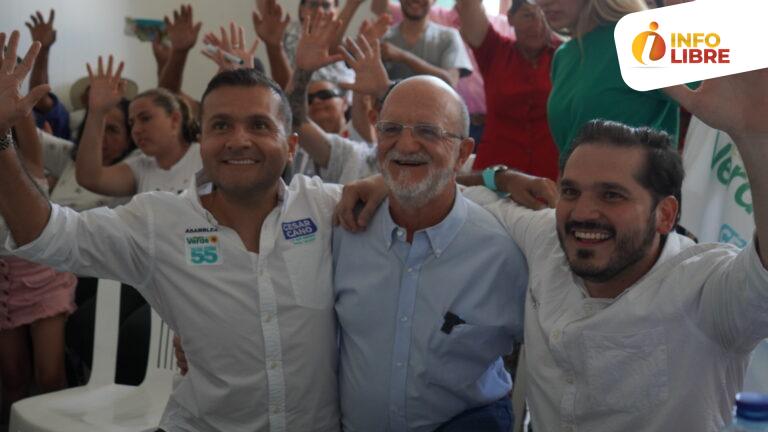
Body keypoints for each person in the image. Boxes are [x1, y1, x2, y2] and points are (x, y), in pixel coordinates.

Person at [0, 31, 350, 431]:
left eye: (258, 125)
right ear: (202, 141)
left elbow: (411, 206)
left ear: (290, 146)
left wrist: (376, 184)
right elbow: (46, 234)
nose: (238, 140)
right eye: (221, 125)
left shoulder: (326, 208)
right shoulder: (159, 222)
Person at [333, 75, 527, 432]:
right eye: (391, 129)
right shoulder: (343, 229)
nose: (405, 144)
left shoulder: (504, 253)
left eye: (427, 130)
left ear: (464, 153)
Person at [0, 70, 75, 424]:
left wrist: (10, 82)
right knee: (13, 377)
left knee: (49, 377)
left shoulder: (27, 157)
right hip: (2, 278)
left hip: (41, 271)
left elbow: (20, 114)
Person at [538, 0, 681, 157]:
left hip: (643, 179)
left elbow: (710, 104)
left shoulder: (641, 36)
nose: (542, 2)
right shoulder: (563, 55)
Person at [371, 0, 515, 144]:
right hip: (445, 122)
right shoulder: (434, 15)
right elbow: (379, 7)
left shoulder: (502, 24)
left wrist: (402, 56)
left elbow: (450, 80)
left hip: (493, 122)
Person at [456, 0, 560, 179]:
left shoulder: (565, 54)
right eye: (528, 15)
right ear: (510, 18)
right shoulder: (494, 50)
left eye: (544, 16)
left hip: (551, 177)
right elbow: (468, 5)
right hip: (494, 177)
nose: (538, 25)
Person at [75, 57, 202, 197]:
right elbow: (89, 179)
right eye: (131, 123)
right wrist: (97, 113)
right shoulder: (140, 167)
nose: (136, 130)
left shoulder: (203, 156)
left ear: (174, 120)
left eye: (145, 118)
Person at [254, 0, 361, 89]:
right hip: (303, 103)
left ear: (336, 11)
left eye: (326, 5)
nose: (319, 11)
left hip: (345, 108)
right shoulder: (286, 33)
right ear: (302, 10)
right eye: (313, 5)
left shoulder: (346, 43)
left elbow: (332, 47)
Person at [375, 0, 473, 89]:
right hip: (391, 107)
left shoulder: (449, 37)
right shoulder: (383, 38)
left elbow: (450, 81)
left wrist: (403, 56)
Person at [26, 9, 70, 140]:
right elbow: (40, 97)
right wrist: (43, 49)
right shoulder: (64, 115)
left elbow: (39, 98)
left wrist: (43, 50)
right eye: (89, 89)